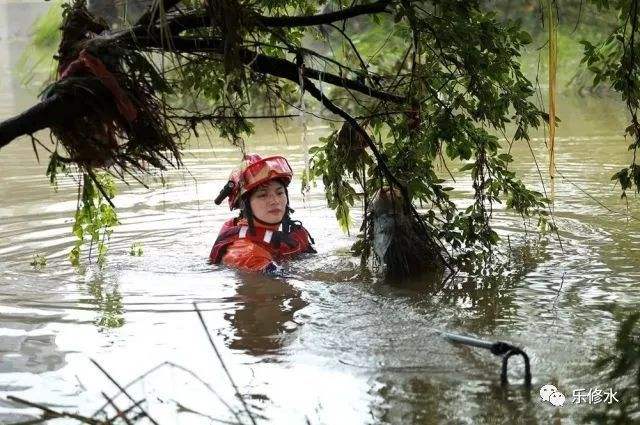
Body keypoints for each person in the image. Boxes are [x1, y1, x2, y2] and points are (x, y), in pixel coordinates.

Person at [209, 154, 315, 274]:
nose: (275, 201)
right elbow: (280, 283)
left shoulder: (283, 236)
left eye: (279, 193)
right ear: (244, 205)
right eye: (263, 195)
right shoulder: (247, 253)